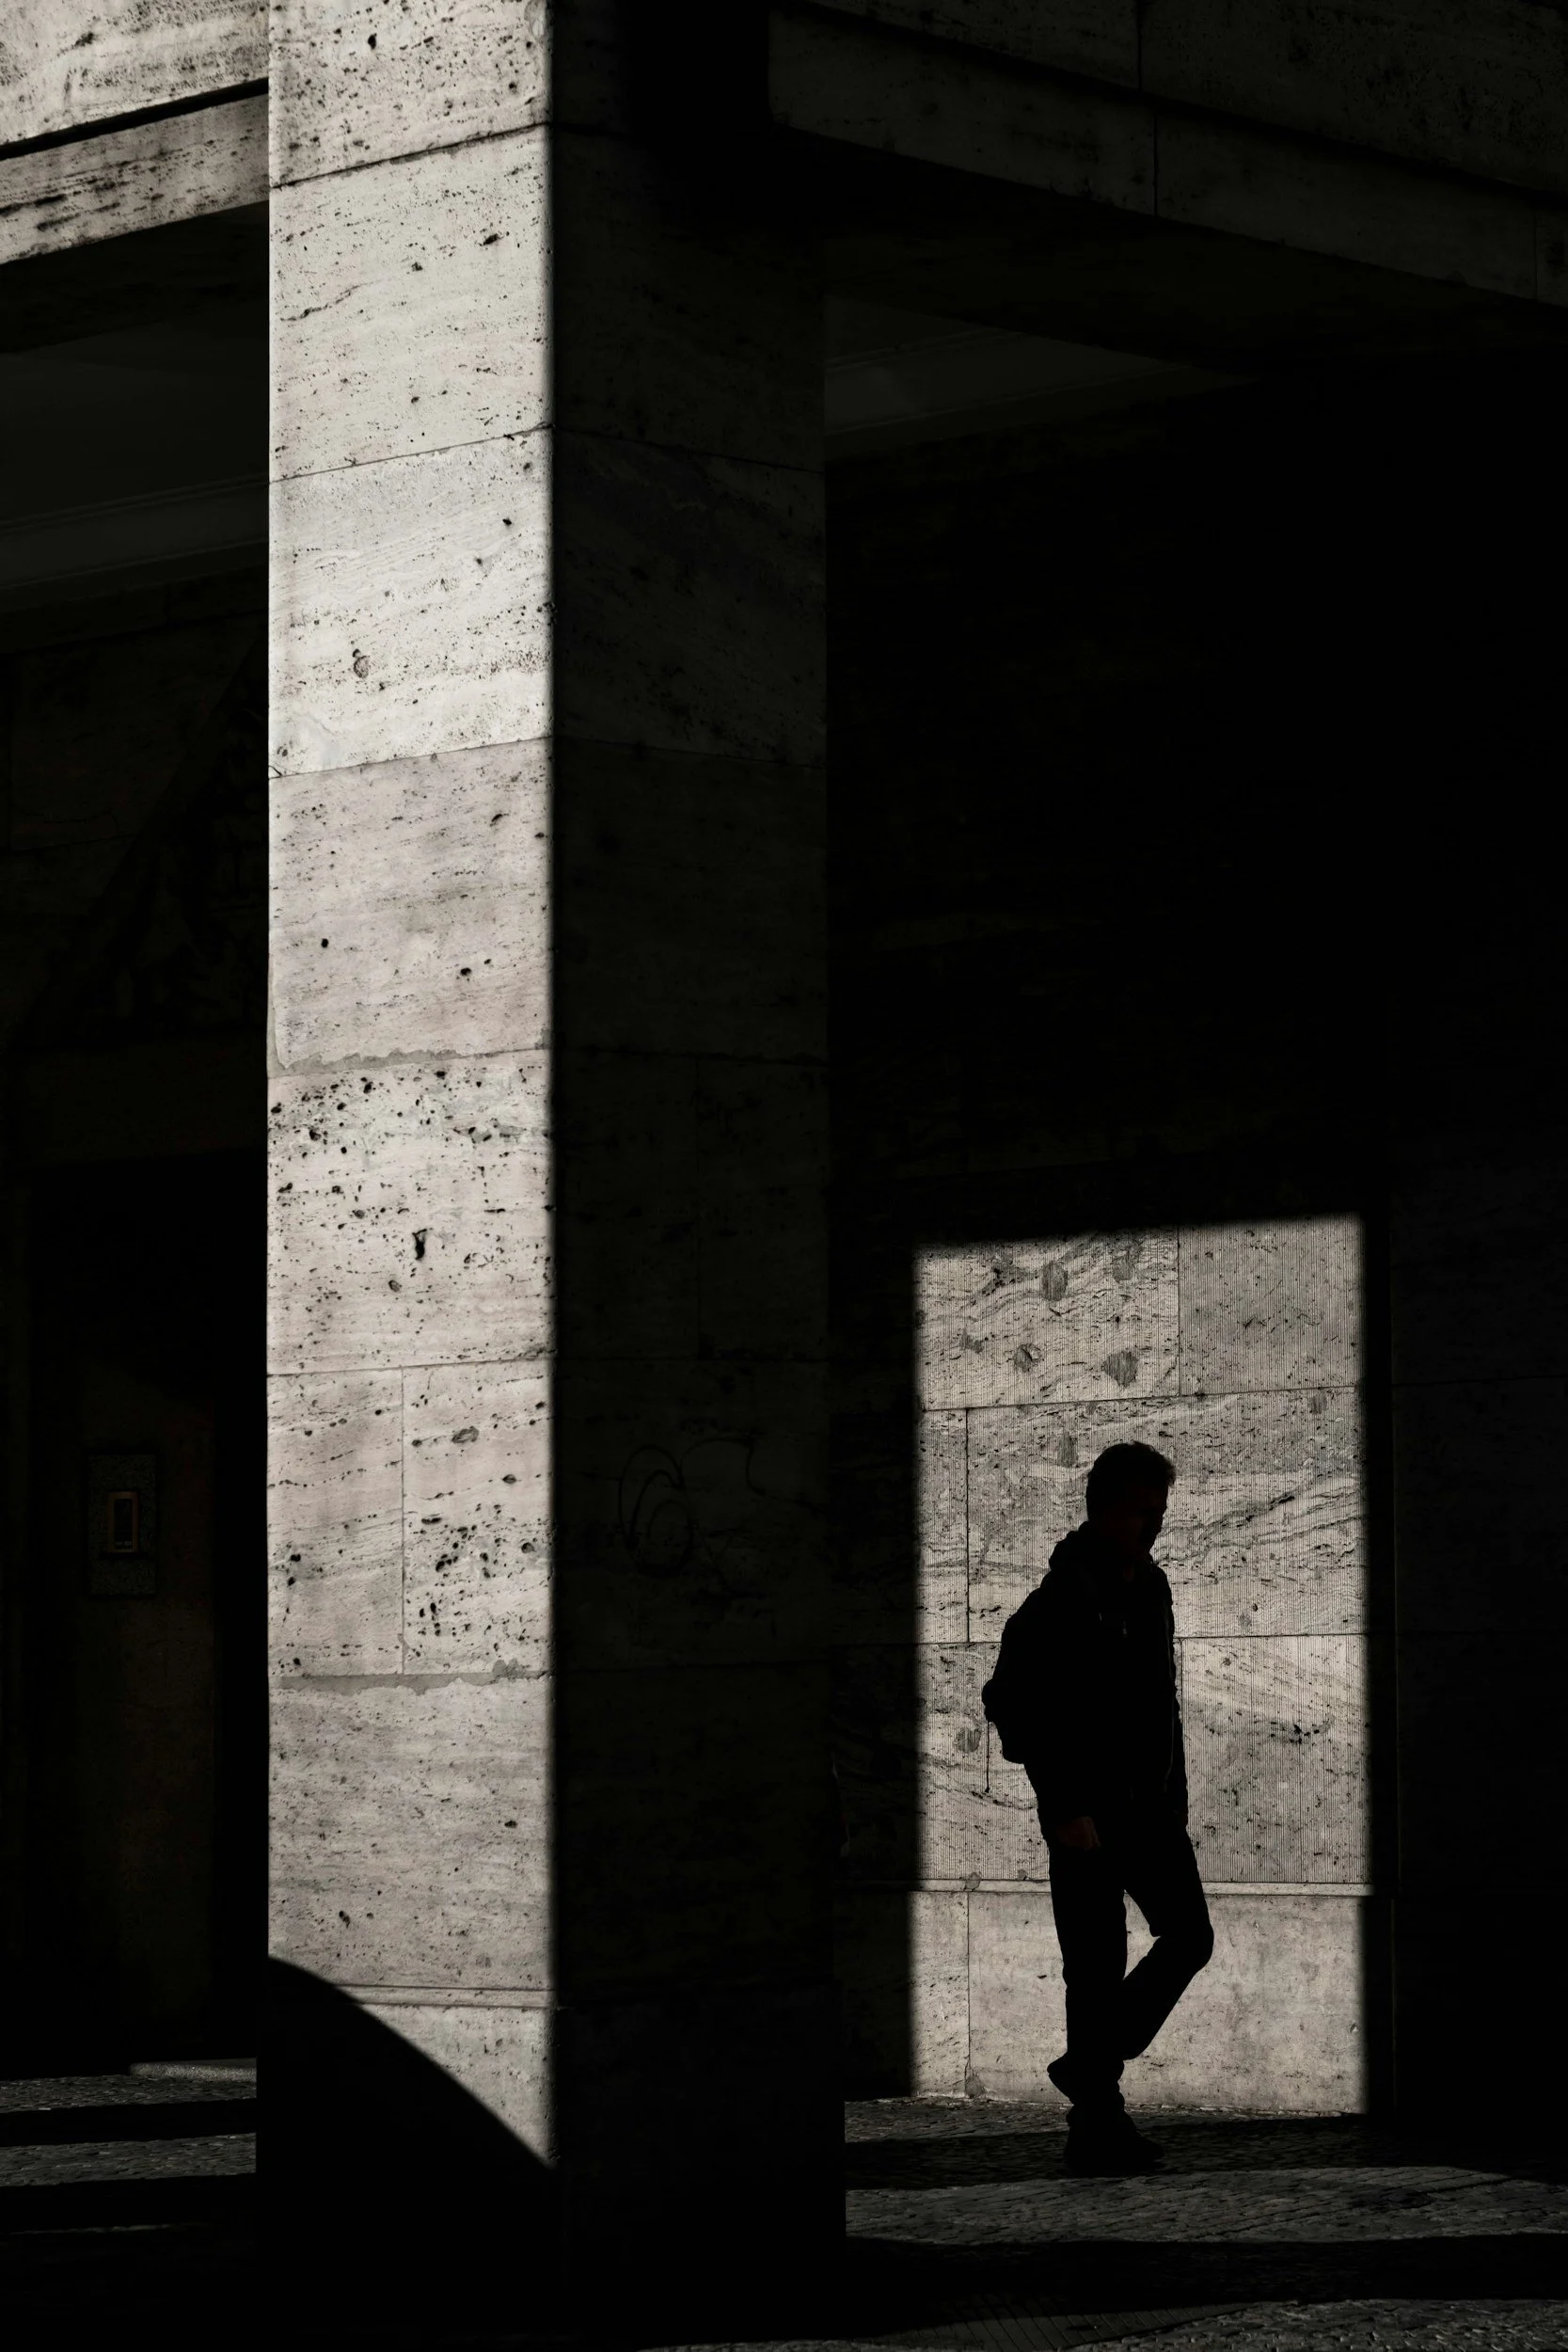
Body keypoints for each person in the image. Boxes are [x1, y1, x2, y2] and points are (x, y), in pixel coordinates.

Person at [982, 1440, 1213, 2175]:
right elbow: (1012, 1702)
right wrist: (1064, 1804)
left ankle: (1089, 2065)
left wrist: (1173, 1795)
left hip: (1148, 1810)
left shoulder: (1150, 1587)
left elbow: (1158, 1705)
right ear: (1107, 1508)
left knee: (1187, 1936)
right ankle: (1097, 2125)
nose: (1155, 1526)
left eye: (1161, 1512)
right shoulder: (1062, 1597)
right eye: (1144, 1512)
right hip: (1084, 1818)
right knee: (1094, 1965)